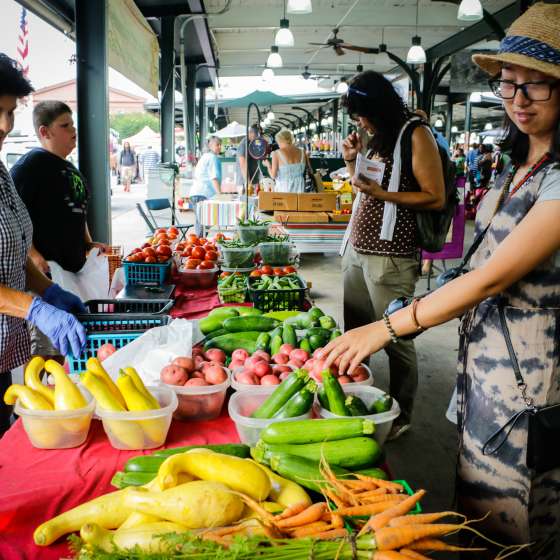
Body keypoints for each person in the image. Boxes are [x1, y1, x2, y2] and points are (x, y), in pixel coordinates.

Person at [319, 4, 560, 556]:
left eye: (538, 86)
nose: (518, 99)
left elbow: (490, 278)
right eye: (509, 84)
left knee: (517, 522)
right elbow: (476, 264)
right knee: (472, 512)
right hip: (484, 373)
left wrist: (388, 327)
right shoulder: (517, 165)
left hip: (532, 382)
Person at [339, 70, 445, 440]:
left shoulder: (417, 135)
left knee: (396, 336)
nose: (360, 123)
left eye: (361, 115)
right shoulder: (379, 139)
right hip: (358, 249)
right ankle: (353, 398)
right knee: (355, 331)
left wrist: (384, 196)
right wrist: (352, 160)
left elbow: (435, 196)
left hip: (390, 256)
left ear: (379, 107)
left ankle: (402, 412)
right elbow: (363, 189)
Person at [0, 54, 86, 433]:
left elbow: (13, 255)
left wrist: (49, 292)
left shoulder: (1, 172)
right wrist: (36, 310)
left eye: (10, 113)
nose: (4, 125)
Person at [11, 100, 107, 358]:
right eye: (65, 126)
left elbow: (77, 211)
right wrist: (33, 254)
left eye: (72, 123)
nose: (73, 131)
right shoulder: (30, 167)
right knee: (50, 347)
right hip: (47, 273)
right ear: (45, 132)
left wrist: (88, 242)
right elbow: (17, 217)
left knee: (73, 342)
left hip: (73, 270)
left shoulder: (68, 167)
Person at [189, 136, 222, 236]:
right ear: (210, 145)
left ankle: (199, 244)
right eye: (217, 145)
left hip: (197, 193)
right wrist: (220, 195)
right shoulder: (212, 157)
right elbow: (214, 177)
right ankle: (199, 244)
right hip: (202, 194)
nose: (220, 147)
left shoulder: (205, 156)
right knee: (203, 222)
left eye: (220, 145)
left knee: (202, 222)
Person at [264, 128, 309, 193]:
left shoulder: (276, 153)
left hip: (284, 190)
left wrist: (268, 166)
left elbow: (273, 176)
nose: (278, 144)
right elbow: (309, 169)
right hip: (300, 189)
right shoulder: (302, 152)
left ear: (281, 140)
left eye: (278, 142)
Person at [236, 124, 261, 189]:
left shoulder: (254, 142)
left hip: (254, 181)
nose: (259, 137)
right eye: (258, 135)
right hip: (244, 183)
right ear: (251, 133)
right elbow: (243, 164)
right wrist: (248, 183)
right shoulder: (244, 144)